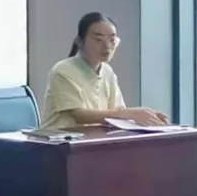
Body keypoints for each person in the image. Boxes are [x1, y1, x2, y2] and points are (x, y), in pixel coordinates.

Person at [40, 12, 170, 130]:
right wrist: (131, 113)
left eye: (112, 40)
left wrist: (146, 117)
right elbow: (80, 115)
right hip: (59, 142)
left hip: (93, 140)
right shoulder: (63, 70)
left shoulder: (107, 72)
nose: (107, 46)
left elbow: (116, 113)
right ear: (80, 41)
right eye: (99, 40)